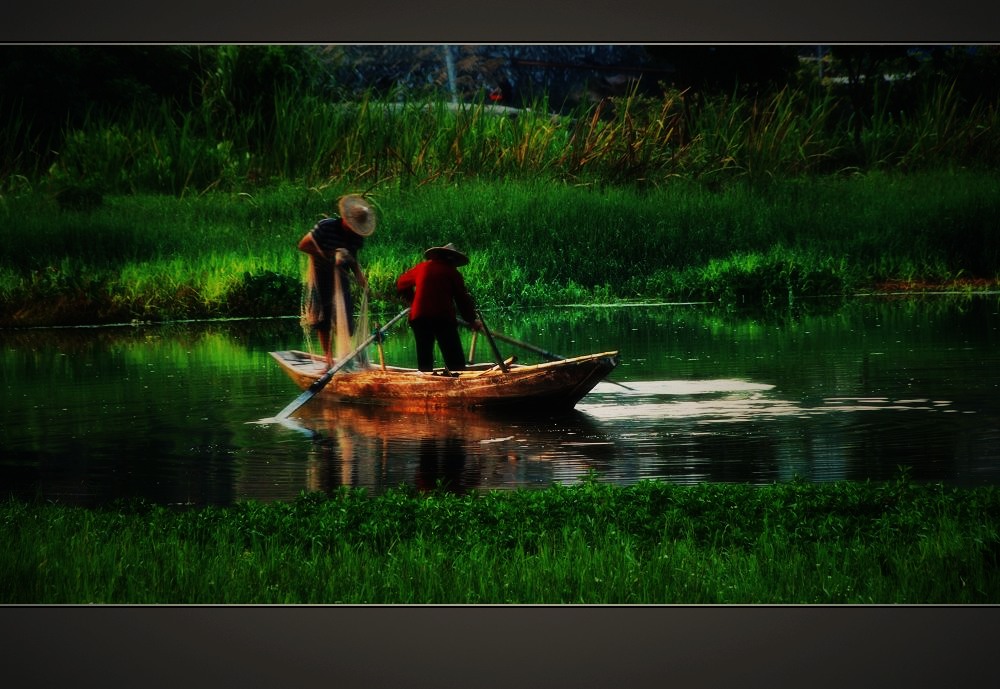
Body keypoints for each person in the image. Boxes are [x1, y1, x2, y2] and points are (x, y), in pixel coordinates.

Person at [298, 194, 376, 367]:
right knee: (323, 318)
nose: (355, 230)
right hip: (321, 276)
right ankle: (328, 358)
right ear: (345, 220)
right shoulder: (326, 227)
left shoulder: (357, 237)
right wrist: (329, 255)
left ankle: (345, 356)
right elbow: (304, 245)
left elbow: (353, 258)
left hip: (341, 277)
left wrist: (359, 276)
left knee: (346, 319)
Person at [396, 242, 483, 373]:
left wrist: (413, 301)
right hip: (443, 318)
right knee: (456, 362)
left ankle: (425, 381)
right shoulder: (453, 274)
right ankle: (457, 381)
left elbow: (401, 283)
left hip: (419, 318)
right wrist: (472, 320)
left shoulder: (422, 267)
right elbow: (462, 300)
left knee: (425, 360)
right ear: (451, 259)